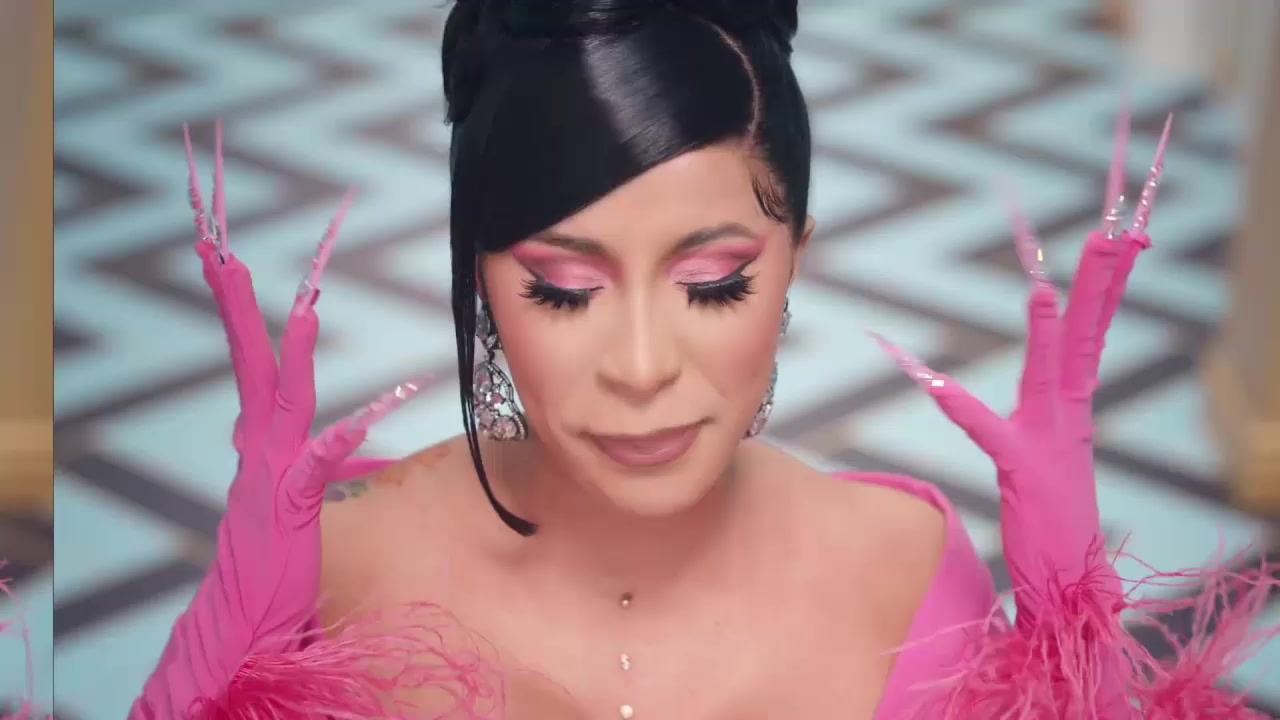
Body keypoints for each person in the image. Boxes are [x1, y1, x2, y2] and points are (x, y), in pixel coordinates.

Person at [131, 1, 1279, 718]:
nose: (641, 366)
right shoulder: (341, 570)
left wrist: (1075, 662)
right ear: (480, 280)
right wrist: (210, 666)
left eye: (713, 280)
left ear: (792, 261)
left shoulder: (902, 573)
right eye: (562, 288)